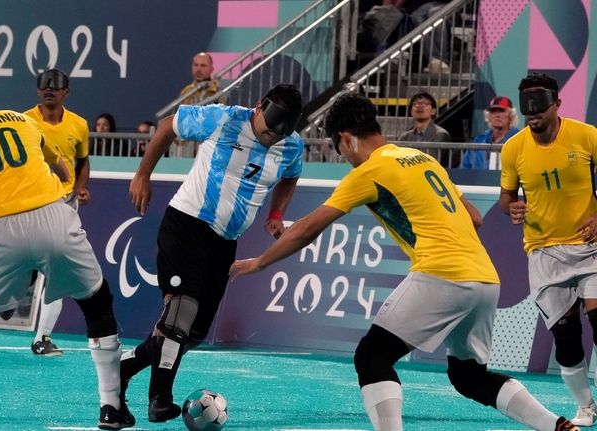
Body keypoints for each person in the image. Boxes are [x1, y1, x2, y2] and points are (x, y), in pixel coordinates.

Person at [230, 92, 580, 431]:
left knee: (371, 357)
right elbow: (475, 217)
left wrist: (258, 263)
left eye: (340, 150)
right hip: (485, 279)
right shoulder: (422, 158)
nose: (345, 157)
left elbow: (307, 228)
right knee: (470, 378)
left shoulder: (368, 172)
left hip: (441, 273)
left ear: (345, 139)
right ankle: (554, 425)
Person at [0, 85, 134, 430]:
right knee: (97, 304)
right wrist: (66, 179)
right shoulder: (22, 120)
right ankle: (111, 407)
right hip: (54, 216)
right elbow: (56, 160)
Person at [120, 83, 305, 423]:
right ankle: (159, 398)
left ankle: (123, 368)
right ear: (259, 108)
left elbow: (291, 177)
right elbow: (167, 127)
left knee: (193, 333)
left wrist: (276, 214)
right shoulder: (221, 119)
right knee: (180, 312)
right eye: (266, 132)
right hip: (187, 224)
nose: (270, 139)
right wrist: (143, 174)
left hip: (225, 242)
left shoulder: (291, 145)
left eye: (278, 137)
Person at [500, 72, 597, 427]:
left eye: (539, 103)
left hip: (591, 248)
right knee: (566, 337)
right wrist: (510, 207)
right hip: (543, 252)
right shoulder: (514, 147)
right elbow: (506, 196)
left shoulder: (586, 135)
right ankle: (586, 406)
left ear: (557, 103)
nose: (533, 111)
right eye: (526, 104)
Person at [22, 68, 93, 356]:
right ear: (38, 91)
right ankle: (12, 290)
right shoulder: (23, 121)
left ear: (67, 91)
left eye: (56, 86)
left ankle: (43, 337)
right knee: (27, 265)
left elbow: (83, 161)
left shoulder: (79, 125)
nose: (49, 89)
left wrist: (82, 186)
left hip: (65, 205)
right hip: (32, 203)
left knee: (58, 273)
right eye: (44, 86)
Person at [173, 52, 227, 158]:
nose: (198, 69)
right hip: (187, 149)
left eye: (203, 66)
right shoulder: (186, 92)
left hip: (210, 148)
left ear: (211, 69)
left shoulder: (218, 92)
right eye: (196, 65)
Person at [397, 92, 455, 167]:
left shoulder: (440, 134)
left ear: (433, 111)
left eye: (425, 103)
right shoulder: (404, 137)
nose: (419, 106)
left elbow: (431, 160)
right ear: (411, 111)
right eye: (415, 104)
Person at [462, 95, 520, 169]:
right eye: (493, 111)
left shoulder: (519, 140)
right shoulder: (478, 141)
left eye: (501, 111)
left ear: (511, 115)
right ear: (488, 116)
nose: (497, 115)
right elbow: (464, 167)